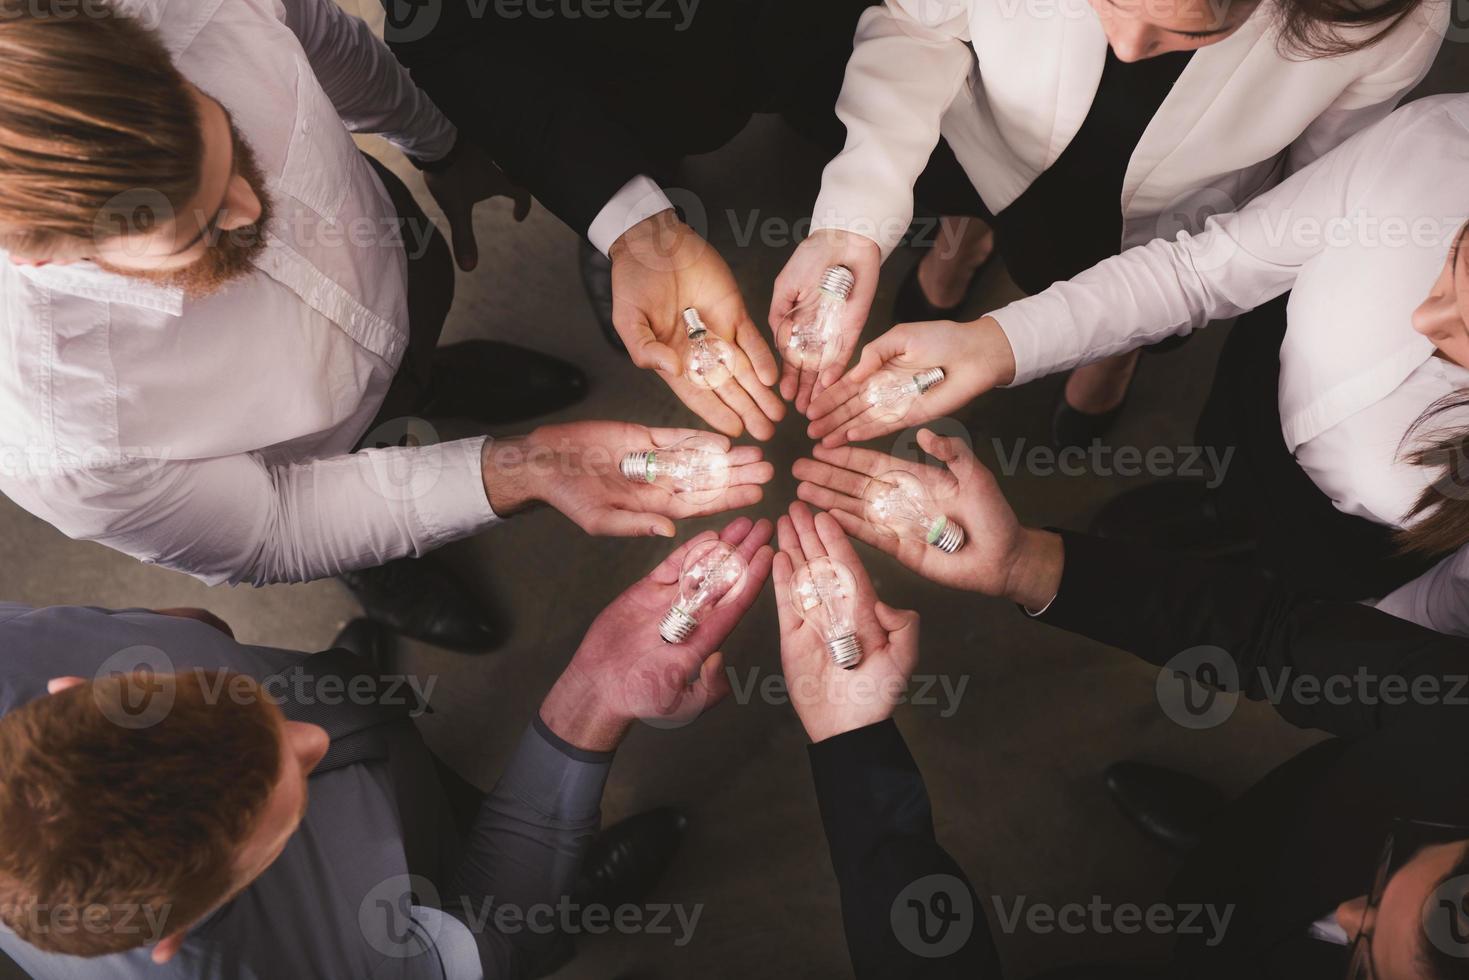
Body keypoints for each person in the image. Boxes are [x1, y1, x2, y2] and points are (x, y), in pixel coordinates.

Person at [0, 0, 773, 651]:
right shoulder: (57, 434)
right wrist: (521, 469)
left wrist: (439, 143)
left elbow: (318, 34)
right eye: (198, 233)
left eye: (231, 144)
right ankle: (384, 566)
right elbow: (273, 525)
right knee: (363, 467)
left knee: (418, 351)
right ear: (36, 253)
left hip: (393, 253)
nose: (253, 212)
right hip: (311, 455)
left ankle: (438, 376)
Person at [787, 439, 1469, 978]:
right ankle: (1216, 853)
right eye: (1397, 862)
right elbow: (1273, 640)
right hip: (1279, 837)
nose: (1346, 908)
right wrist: (1025, 564)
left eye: (1368, 950)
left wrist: (852, 748)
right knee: (1239, 869)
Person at [0, 515, 774, 977]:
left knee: (356, 705)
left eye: (238, 702)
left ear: (75, 691)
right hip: (448, 916)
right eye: (288, 791)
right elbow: (486, 940)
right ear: (172, 932)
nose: (310, 736)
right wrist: (596, 696)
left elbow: (195, 629)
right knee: (531, 926)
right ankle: (571, 902)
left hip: (390, 785)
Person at [808, 94, 1469, 634]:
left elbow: (1438, 614)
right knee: (1225, 453)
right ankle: (1221, 510)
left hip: (1352, 552)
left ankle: (1254, 556)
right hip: (1256, 394)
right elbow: (1200, 270)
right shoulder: (1441, 151)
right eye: (1452, 266)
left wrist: (1345, 642)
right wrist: (997, 343)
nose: (1421, 320)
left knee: (1289, 569)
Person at [774, 0, 1449, 443]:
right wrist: (848, 222)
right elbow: (919, 22)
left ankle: (1112, 355)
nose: (1125, 47)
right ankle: (963, 242)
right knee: (966, 193)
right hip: (990, 122)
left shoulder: (1381, 20)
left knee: (1105, 273)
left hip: (1173, 207)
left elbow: (1311, 183)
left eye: (1189, 30)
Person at [382, 0, 895, 442]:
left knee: (846, 91)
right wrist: (631, 222)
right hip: (619, 60)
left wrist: (867, 190)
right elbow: (441, 30)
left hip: (828, 28)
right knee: (640, 125)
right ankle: (647, 178)